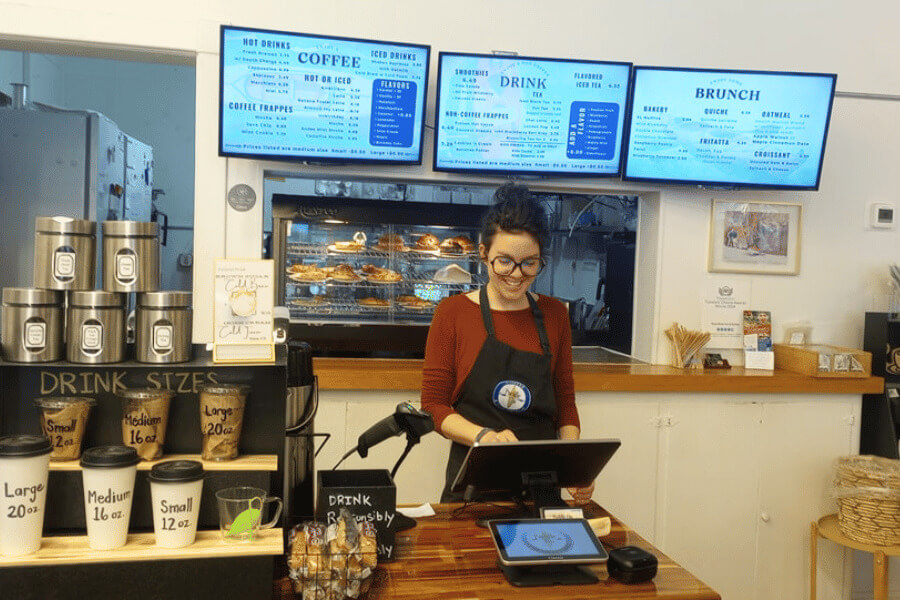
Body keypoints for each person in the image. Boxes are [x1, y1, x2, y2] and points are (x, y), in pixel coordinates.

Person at [421, 182, 593, 504]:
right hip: (471, 490)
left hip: (541, 487)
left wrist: (574, 465)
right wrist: (483, 437)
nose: (516, 274)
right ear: (484, 254)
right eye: (505, 261)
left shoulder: (554, 314)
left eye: (529, 263)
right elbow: (433, 408)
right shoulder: (453, 313)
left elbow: (565, 405)